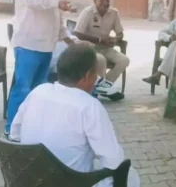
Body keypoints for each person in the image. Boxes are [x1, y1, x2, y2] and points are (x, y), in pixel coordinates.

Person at [10, 44, 140, 187]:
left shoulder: (38, 92)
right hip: (71, 182)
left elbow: (15, 135)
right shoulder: (89, 106)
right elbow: (113, 160)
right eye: (95, 74)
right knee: (130, 176)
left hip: (30, 178)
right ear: (87, 75)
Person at [5, 0, 75, 137]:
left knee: (38, 92)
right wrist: (56, 3)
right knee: (22, 89)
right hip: (28, 44)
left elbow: (58, 18)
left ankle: (29, 128)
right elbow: (31, 1)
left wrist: (67, 37)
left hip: (47, 47)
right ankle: (11, 130)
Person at [73, 0, 128, 101]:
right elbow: (77, 33)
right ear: (95, 1)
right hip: (89, 48)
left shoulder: (113, 13)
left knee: (124, 60)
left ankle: (103, 86)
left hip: (106, 47)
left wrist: (115, 39)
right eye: (101, 0)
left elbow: (120, 33)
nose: (104, 3)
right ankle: (103, 88)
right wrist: (99, 39)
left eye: (107, 0)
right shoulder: (87, 12)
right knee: (101, 60)